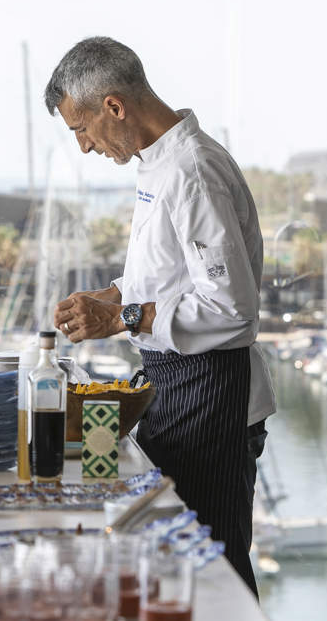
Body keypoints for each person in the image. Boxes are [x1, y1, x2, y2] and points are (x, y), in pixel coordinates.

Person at [45, 37, 275, 595]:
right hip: (174, 387)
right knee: (176, 562)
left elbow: (231, 307)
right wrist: (108, 297)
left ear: (114, 107)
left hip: (213, 394)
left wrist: (121, 317)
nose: (83, 146)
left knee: (213, 573)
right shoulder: (157, 167)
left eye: (81, 128)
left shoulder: (191, 172)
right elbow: (168, 279)